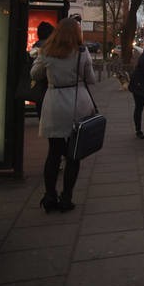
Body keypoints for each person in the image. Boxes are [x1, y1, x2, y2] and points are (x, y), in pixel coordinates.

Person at [30, 18, 96, 213]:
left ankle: (50, 195)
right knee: (73, 154)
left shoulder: (46, 52)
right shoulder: (82, 53)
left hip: (54, 102)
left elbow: (34, 74)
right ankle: (66, 197)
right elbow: (91, 79)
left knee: (54, 152)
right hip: (78, 103)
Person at [28, 21, 54, 117]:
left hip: (37, 88)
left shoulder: (35, 47)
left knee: (41, 112)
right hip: (47, 87)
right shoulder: (49, 48)